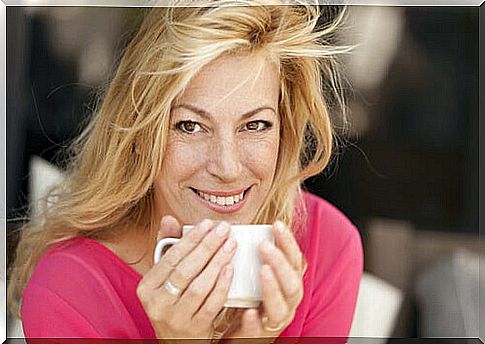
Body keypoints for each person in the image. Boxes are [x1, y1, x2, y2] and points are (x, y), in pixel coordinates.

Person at [8, 1, 363, 340]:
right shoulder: (70, 291)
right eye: (190, 126)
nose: (227, 167)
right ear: (142, 133)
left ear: (284, 128)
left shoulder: (325, 246)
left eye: (255, 125)